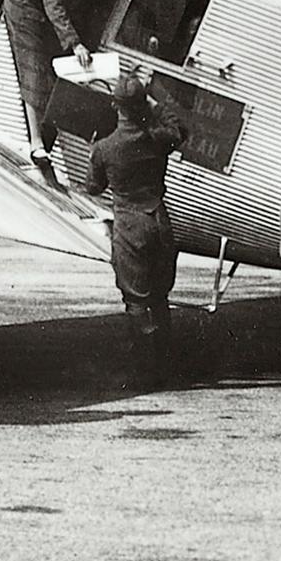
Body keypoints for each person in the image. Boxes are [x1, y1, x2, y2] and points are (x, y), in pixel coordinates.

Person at [81, 72, 187, 385]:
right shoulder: (158, 138)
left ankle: (145, 371)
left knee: (137, 300)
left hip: (130, 229)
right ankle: (165, 366)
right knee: (159, 297)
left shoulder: (105, 147)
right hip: (160, 222)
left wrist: (93, 155)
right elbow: (179, 129)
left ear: (115, 105)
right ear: (141, 104)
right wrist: (154, 105)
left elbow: (92, 187)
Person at [3, 0, 124, 170]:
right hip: (25, 6)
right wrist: (75, 43)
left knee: (56, 71)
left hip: (48, 11)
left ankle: (46, 132)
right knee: (33, 66)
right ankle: (36, 143)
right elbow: (54, 3)